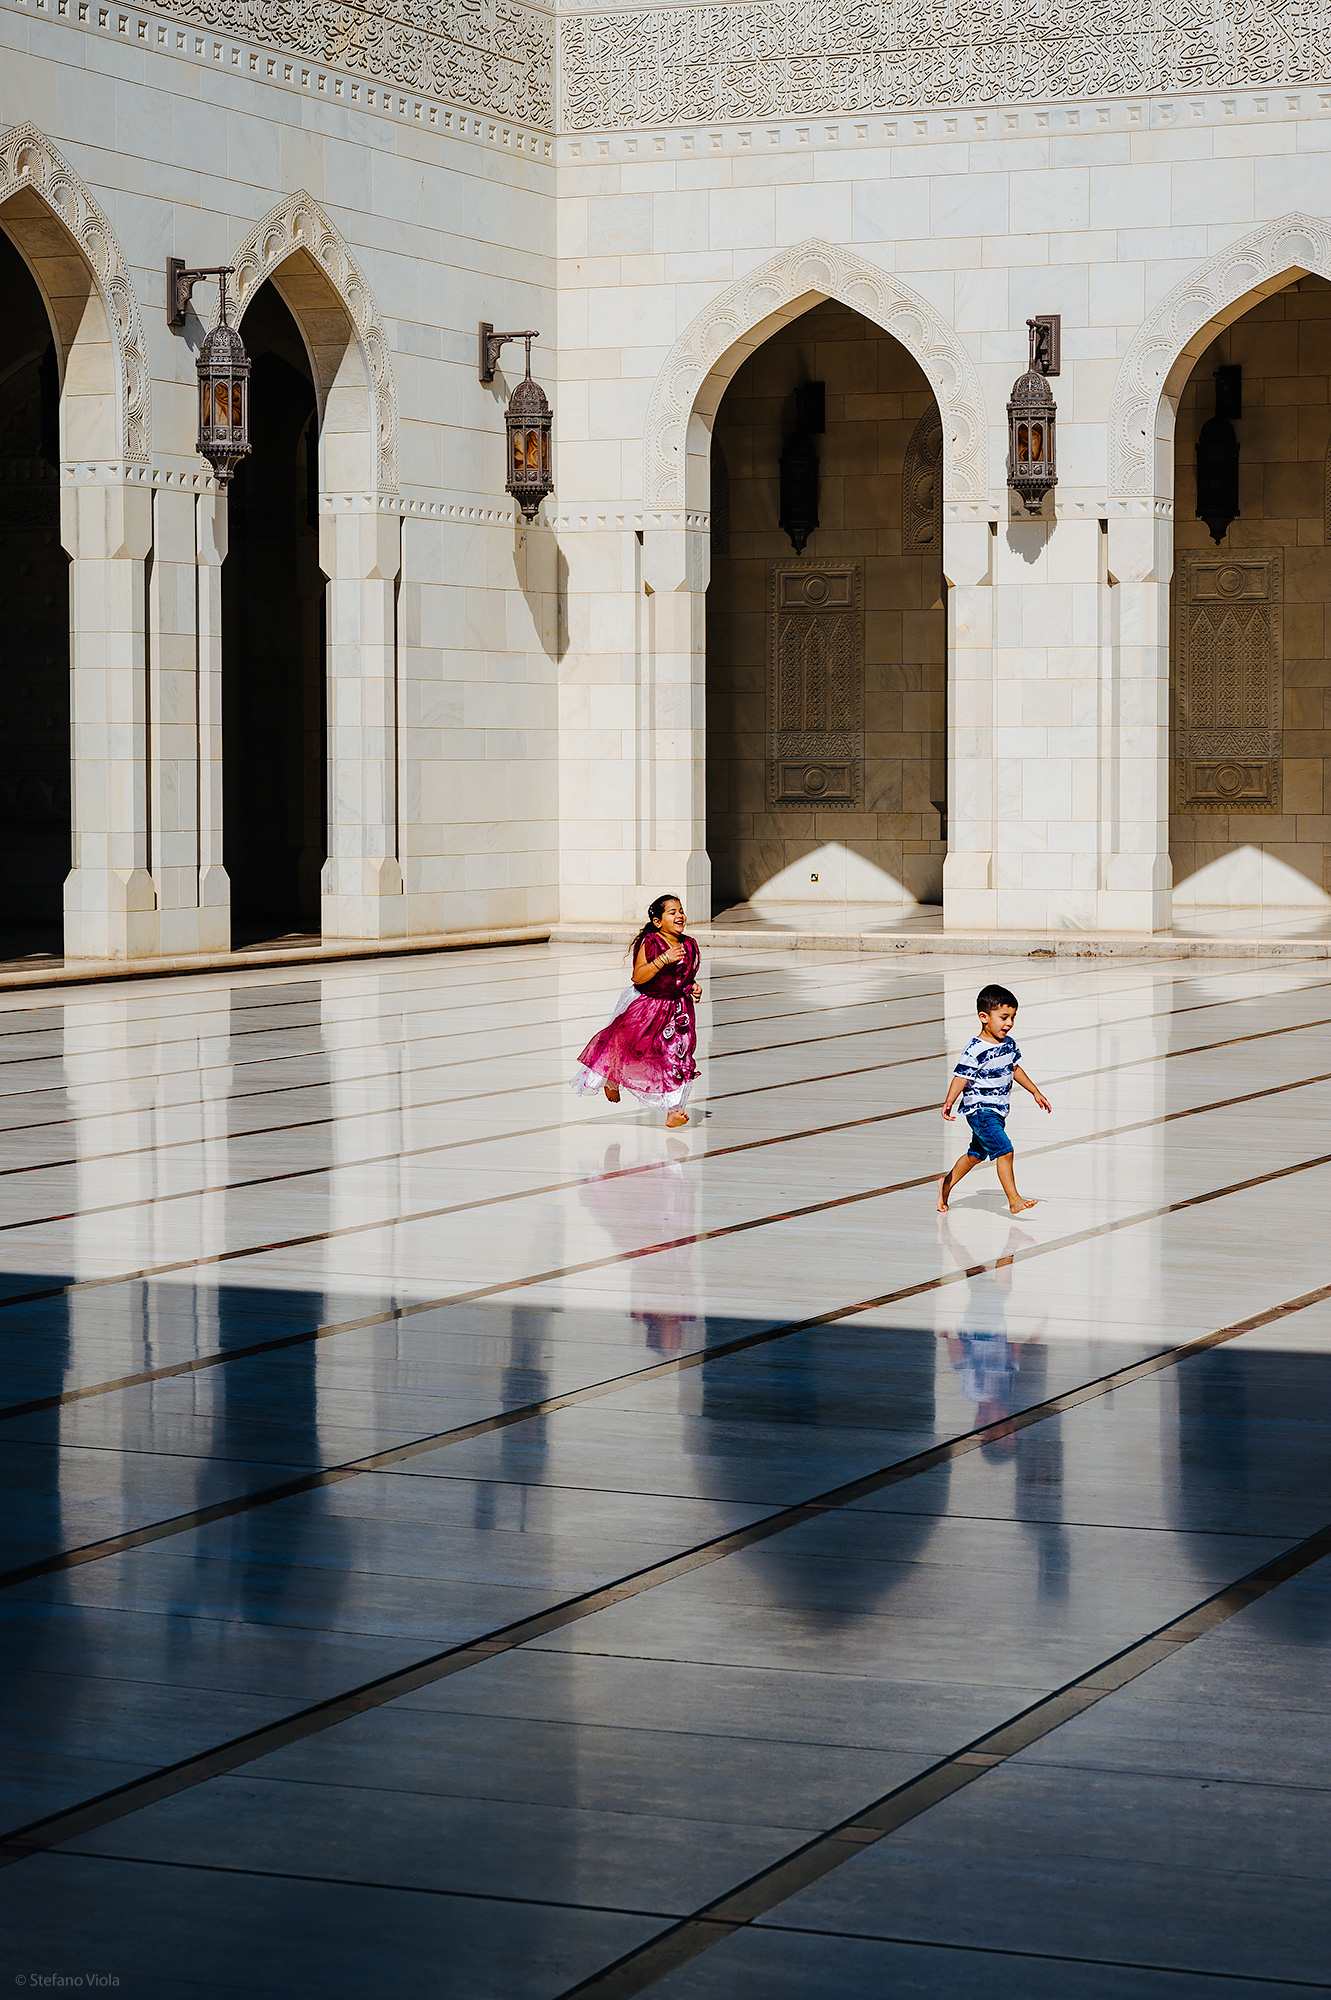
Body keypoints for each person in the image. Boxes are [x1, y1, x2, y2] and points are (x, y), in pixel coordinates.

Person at [571, 894, 702, 1128]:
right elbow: (639, 976)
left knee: (676, 1057)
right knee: (628, 1048)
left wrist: (692, 986)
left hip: (678, 1012)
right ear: (657, 921)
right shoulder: (650, 942)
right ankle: (612, 1078)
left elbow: (682, 976)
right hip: (647, 1006)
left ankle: (674, 1109)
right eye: (672, 912)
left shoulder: (689, 944)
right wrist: (663, 959)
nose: (679, 915)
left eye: (681, 911)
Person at [937, 982, 1051, 1215]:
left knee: (975, 1155)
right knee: (1005, 1150)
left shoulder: (1009, 1044)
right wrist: (949, 1101)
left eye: (1013, 1018)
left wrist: (1035, 1091)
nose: (1009, 1023)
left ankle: (945, 1184)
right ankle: (1014, 1199)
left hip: (998, 1111)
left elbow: (1015, 1069)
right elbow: (961, 1077)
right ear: (984, 1017)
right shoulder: (975, 1049)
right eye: (1004, 1017)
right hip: (980, 1111)